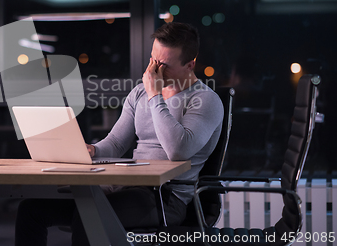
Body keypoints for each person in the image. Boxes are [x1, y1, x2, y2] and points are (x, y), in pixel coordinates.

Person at [14, 22, 224, 246]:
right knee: (32, 209)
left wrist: (155, 96)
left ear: (190, 64)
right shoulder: (139, 93)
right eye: (153, 60)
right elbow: (115, 142)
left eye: (164, 65)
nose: (154, 70)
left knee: (89, 217)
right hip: (124, 186)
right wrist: (93, 149)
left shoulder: (205, 100)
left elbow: (178, 150)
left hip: (165, 198)